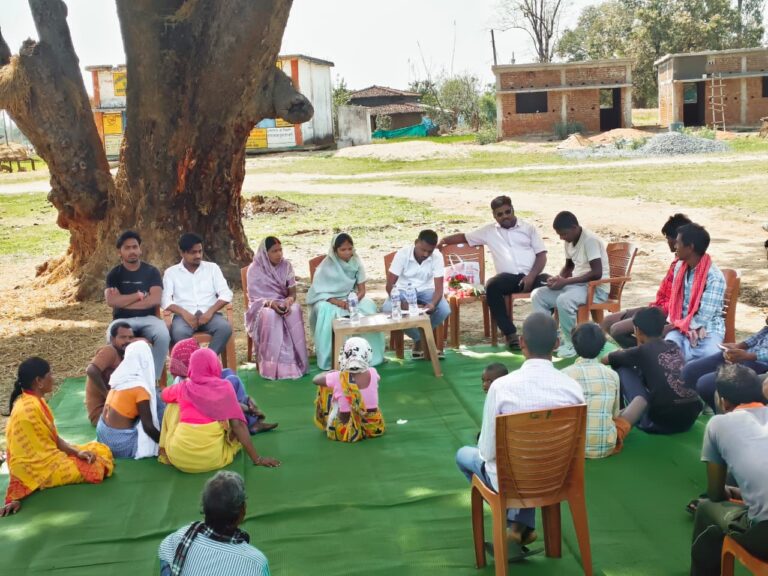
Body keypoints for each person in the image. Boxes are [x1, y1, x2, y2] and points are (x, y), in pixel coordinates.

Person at [455, 313, 585, 545]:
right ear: (557, 343)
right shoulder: (573, 387)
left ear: (522, 342)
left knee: (464, 455)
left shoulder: (501, 387)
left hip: (515, 479)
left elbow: (487, 452)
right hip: (558, 476)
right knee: (528, 462)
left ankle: (511, 523)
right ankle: (519, 526)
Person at [1, 358, 114, 517]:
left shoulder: (35, 401)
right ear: (39, 381)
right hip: (42, 471)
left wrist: (77, 452)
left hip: (49, 458)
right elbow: (18, 459)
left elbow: (54, 439)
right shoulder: (27, 410)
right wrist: (14, 496)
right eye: (50, 374)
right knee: (98, 467)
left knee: (99, 450)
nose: (53, 378)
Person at [439, 196, 548, 349]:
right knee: (492, 286)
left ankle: (543, 332)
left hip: (533, 275)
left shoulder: (529, 229)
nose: (505, 216)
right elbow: (465, 237)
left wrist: (531, 276)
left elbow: (541, 255)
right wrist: (443, 240)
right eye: (500, 214)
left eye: (507, 212)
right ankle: (510, 334)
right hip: (509, 279)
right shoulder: (489, 231)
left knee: (550, 283)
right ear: (494, 216)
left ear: (513, 209)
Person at [690, 364, 768, 576]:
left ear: (723, 401)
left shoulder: (718, 424)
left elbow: (715, 493)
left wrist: (727, 491)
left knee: (706, 508)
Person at [158, 348, 280, 473]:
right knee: (226, 417)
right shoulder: (225, 388)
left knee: (173, 405)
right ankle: (252, 424)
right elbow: (238, 426)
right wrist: (258, 459)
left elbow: (163, 396)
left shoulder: (183, 387)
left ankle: (163, 450)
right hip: (213, 459)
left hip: (180, 459)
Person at [604, 306, 702, 434]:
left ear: (637, 331)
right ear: (662, 329)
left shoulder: (641, 351)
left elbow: (606, 359)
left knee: (621, 367)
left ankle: (624, 414)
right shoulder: (674, 346)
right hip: (688, 421)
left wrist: (621, 352)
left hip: (659, 423)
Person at [601, 213, 692, 348]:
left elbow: (681, 304)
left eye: (668, 238)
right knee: (607, 322)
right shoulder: (677, 261)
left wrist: (655, 312)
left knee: (617, 330)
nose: (667, 242)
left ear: (678, 240)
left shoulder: (690, 267)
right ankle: (639, 353)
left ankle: (645, 354)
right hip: (657, 307)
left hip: (666, 314)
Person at [158, 471, 270, 576]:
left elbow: (164, 550)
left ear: (204, 509)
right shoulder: (256, 563)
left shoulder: (181, 536)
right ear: (242, 511)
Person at [531, 211, 609, 358]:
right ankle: (552, 339)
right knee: (538, 295)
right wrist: (557, 279)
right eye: (559, 234)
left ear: (574, 227)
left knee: (564, 300)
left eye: (564, 234)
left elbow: (597, 273)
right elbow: (569, 267)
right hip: (578, 286)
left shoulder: (590, 241)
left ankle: (571, 343)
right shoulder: (569, 240)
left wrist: (565, 282)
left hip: (596, 288)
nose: (561, 238)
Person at [306, 232, 385, 371]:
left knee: (368, 305)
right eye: (343, 249)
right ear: (335, 250)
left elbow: (362, 290)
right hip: (328, 299)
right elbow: (320, 292)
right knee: (325, 310)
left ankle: (370, 356)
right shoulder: (326, 266)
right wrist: (340, 303)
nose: (347, 252)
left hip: (350, 297)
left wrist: (353, 301)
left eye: (350, 249)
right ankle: (333, 358)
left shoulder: (357, 262)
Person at [170, 338, 277, 434]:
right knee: (232, 381)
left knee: (227, 372)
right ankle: (251, 423)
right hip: (209, 416)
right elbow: (217, 403)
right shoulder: (189, 384)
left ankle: (250, 419)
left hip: (209, 401)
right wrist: (248, 407)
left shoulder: (181, 377)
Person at [105, 230, 171, 380]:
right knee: (111, 336)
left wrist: (123, 302)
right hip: (122, 320)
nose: (132, 251)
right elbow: (111, 301)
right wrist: (138, 296)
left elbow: (155, 299)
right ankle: (121, 379)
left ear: (140, 249)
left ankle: (153, 379)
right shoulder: (114, 274)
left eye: (135, 247)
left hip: (149, 318)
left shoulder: (152, 272)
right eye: (127, 248)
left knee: (163, 334)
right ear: (120, 252)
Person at [562, 323, 632, 458]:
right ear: (602, 346)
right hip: (606, 446)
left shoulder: (564, 374)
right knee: (633, 408)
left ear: (575, 346)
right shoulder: (612, 375)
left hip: (571, 447)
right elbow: (614, 414)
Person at [245, 236, 309, 379]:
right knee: (270, 315)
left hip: (282, 302)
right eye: (274, 251)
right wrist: (270, 303)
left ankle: (297, 363)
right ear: (265, 253)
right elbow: (254, 298)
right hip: (263, 305)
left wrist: (288, 301)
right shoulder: (254, 269)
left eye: (280, 250)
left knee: (295, 310)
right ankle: (271, 367)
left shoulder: (286, 266)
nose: (279, 254)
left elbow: (292, 293)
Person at [383, 229, 451, 358]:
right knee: (388, 308)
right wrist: (402, 304)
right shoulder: (403, 254)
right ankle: (421, 340)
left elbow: (439, 289)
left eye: (429, 251)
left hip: (426, 290)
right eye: (423, 250)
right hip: (402, 290)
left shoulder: (437, 256)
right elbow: (389, 286)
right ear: (416, 242)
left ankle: (421, 340)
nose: (426, 254)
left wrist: (432, 304)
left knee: (444, 309)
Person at [162, 233, 234, 354]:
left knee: (224, 328)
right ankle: (193, 363)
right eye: (193, 252)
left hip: (210, 315)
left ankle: (207, 359)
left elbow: (226, 294)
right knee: (179, 333)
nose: (198, 255)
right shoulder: (171, 273)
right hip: (183, 318)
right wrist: (184, 313)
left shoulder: (212, 268)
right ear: (182, 252)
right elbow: (165, 299)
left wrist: (210, 312)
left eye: (200, 251)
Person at [663, 223, 725, 362]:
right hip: (680, 326)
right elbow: (675, 303)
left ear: (690, 247)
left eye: (678, 243)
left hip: (708, 329)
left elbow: (704, 317)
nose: (675, 246)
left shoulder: (714, 277)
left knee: (709, 357)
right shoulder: (680, 267)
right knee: (667, 352)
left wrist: (680, 326)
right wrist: (676, 326)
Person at [683, 315, 768, 411]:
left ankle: (724, 413)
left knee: (706, 384)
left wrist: (748, 356)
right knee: (690, 370)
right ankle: (701, 405)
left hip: (761, 365)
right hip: (745, 356)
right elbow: (757, 338)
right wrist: (737, 346)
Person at [96, 341, 161, 459]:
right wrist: (164, 443)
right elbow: (148, 427)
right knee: (158, 405)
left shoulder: (119, 378)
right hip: (119, 444)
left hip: (102, 435)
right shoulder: (140, 389)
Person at [313, 337, 385, 442]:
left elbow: (315, 380)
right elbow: (377, 379)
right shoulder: (373, 372)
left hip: (345, 430)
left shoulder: (338, 376)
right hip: (372, 427)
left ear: (344, 355)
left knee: (325, 388)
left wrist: (328, 373)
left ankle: (326, 421)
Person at [85, 321, 134, 426]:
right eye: (123, 337)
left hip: (115, 407)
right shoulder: (109, 350)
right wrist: (107, 394)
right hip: (102, 413)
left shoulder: (125, 353)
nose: (127, 341)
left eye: (130, 338)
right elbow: (91, 370)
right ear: (112, 339)